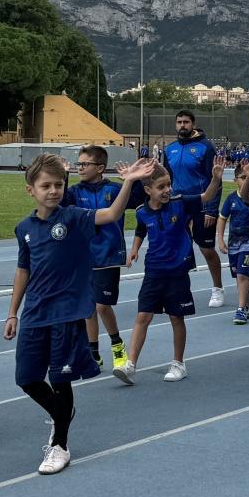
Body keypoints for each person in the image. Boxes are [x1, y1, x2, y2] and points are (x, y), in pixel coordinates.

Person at [4, 154, 153, 474]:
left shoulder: (74, 217)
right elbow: (22, 270)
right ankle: (62, 412)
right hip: (34, 313)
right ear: (30, 189)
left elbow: (113, 213)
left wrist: (128, 181)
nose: (53, 191)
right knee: (27, 378)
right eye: (46, 185)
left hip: (68, 312)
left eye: (59, 184)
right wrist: (12, 312)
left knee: (60, 378)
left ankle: (59, 444)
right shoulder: (23, 228)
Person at [118, 155, 226, 385]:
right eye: (161, 187)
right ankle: (130, 365)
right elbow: (140, 230)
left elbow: (206, 196)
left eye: (168, 185)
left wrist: (216, 179)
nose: (167, 190)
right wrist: (135, 250)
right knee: (143, 316)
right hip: (153, 272)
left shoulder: (180, 202)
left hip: (177, 271)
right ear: (148, 190)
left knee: (176, 317)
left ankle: (178, 363)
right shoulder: (141, 211)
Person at [63, 145, 145, 373]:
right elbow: (59, 204)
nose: (80, 168)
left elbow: (138, 198)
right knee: (87, 306)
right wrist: (64, 174)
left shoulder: (113, 189)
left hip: (107, 255)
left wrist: (133, 179)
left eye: (84, 164)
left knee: (101, 305)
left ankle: (117, 343)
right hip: (82, 256)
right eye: (78, 164)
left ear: (100, 168)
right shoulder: (74, 191)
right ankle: (93, 352)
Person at [162, 110, 225, 307]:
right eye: (179, 122)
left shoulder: (205, 147)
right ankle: (178, 288)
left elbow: (216, 179)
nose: (182, 125)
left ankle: (217, 289)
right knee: (175, 247)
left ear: (193, 124)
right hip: (177, 205)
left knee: (206, 248)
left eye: (186, 122)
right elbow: (166, 180)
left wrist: (211, 209)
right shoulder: (169, 149)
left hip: (201, 203)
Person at [217, 161, 249, 324]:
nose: (245, 180)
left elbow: (248, 194)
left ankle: (241, 308)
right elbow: (222, 218)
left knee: (242, 273)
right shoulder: (231, 198)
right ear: (235, 180)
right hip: (234, 243)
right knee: (239, 276)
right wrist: (220, 240)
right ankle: (246, 306)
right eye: (242, 177)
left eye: (246, 178)